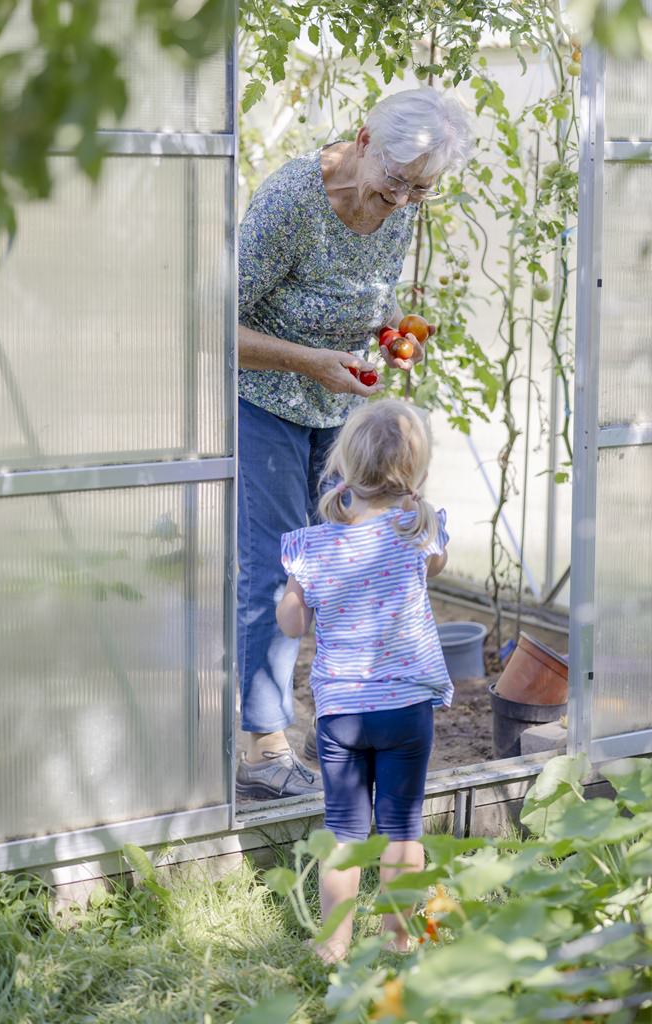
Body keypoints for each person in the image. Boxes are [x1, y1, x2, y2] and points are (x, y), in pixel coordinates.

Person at [236, 86, 470, 800]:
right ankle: (262, 747)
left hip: (336, 407)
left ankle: (338, 724)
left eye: (420, 190)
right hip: (264, 401)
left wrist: (394, 334)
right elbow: (211, 327)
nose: (403, 200)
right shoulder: (291, 205)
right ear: (365, 138)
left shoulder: (397, 209)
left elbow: (371, 297)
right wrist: (310, 361)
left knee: (344, 562)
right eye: (396, 180)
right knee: (275, 571)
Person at [276, 400, 452, 962]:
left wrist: (297, 594)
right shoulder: (418, 531)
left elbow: (292, 622)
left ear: (345, 468)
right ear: (415, 475)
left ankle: (332, 944)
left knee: (345, 831)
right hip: (405, 709)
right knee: (403, 829)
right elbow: (434, 567)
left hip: (342, 712)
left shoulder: (313, 545)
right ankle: (401, 940)